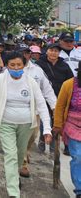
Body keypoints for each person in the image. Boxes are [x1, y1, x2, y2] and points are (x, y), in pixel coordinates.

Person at [0, 51, 52, 198]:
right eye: (12, 65)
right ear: (7, 66)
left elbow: (42, 105)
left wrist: (47, 129)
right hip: (5, 123)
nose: (16, 68)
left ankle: (15, 174)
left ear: (24, 65)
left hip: (26, 125)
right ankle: (13, 192)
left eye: (19, 65)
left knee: (19, 154)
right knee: (10, 155)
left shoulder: (30, 82)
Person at [16, 44, 57, 177]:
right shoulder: (9, 69)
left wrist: (54, 107)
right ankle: (22, 164)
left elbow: (47, 90)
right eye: (22, 52)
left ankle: (26, 151)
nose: (25, 55)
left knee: (32, 137)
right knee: (19, 138)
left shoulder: (37, 71)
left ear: (29, 54)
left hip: (35, 112)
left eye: (27, 52)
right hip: (15, 111)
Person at [36, 43, 73, 152]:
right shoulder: (39, 64)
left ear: (59, 53)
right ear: (47, 51)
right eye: (51, 50)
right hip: (43, 97)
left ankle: (53, 145)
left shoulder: (64, 65)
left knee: (57, 121)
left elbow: (70, 80)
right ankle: (42, 141)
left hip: (60, 98)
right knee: (45, 119)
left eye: (56, 51)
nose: (53, 53)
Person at [53, 61, 81, 198]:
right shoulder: (69, 84)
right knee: (78, 156)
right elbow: (60, 106)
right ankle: (79, 189)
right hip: (73, 125)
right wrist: (57, 125)